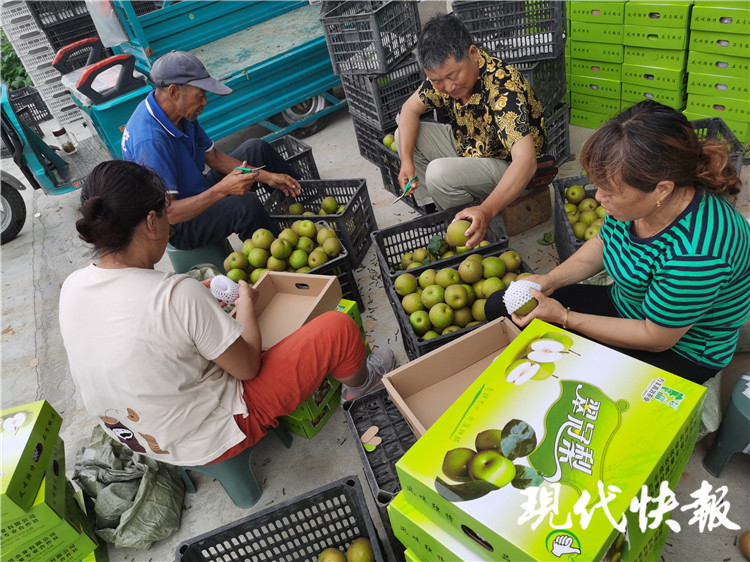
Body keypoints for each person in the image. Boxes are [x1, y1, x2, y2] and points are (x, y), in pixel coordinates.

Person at [59, 160, 395, 466]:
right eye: (164, 213)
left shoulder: (73, 286)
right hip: (207, 436)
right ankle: (361, 385)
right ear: (150, 222)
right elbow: (248, 367)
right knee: (338, 328)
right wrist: (245, 304)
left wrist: (195, 305)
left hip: (138, 436)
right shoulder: (176, 295)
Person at [486, 101, 750, 384]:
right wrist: (551, 280)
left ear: (662, 189)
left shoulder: (697, 255)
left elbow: (656, 338)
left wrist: (564, 317)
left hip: (680, 348)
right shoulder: (637, 204)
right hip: (627, 305)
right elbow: (603, 242)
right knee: (499, 307)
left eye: (610, 191)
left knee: (571, 383)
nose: (599, 197)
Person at [121, 50, 302, 251]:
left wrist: (268, 177)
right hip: (179, 224)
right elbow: (169, 214)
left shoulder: (178, 112)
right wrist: (222, 190)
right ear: (174, 92)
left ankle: (305, 208)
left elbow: (214, 157)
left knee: (256, 148)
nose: (204, 102)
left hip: (195, 190)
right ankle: (283, 258)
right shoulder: (151, 141)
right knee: (245, 206)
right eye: (200, 96)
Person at [396, 14, 547, 248]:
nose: (448, 87)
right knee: (403, 135)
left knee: (438, 173)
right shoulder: (443, 78)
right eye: (436, 80)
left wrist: (487, 210)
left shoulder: (502, 88)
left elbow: (526, 161)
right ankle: (437, 209)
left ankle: (469, 229)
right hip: (472, 148)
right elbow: (409, 110)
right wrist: (406, 161)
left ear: (473, 54)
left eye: (452, 76)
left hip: (509, 167)